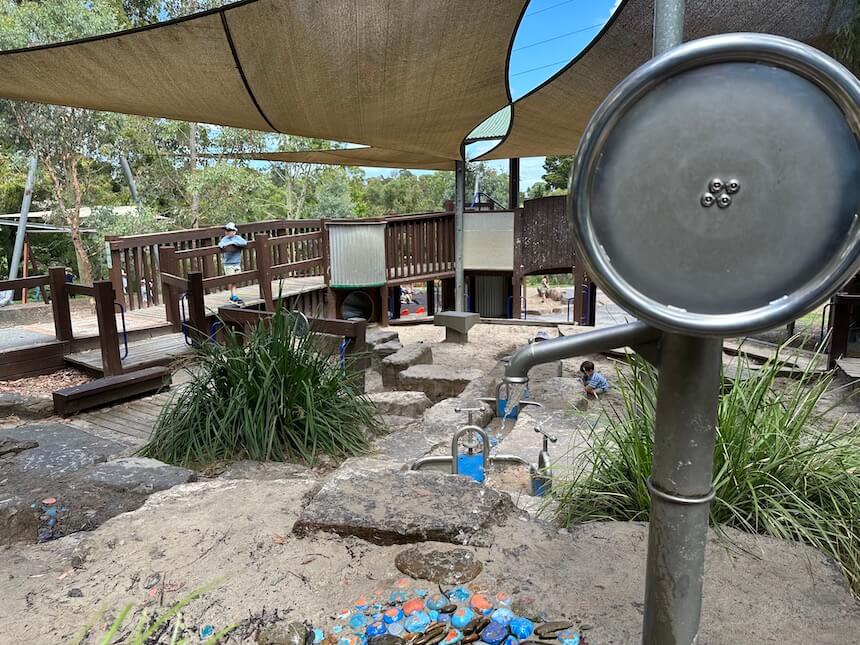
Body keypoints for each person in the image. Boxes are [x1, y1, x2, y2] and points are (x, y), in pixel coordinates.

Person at [218, 222, 247, 302]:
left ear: (234, 231)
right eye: (226, 230)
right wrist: (224, 245)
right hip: (228, 264)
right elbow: (221, 244)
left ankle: (233, 296)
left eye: (229, 230)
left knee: (236, 280)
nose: (227, 232)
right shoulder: (224, 239)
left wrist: (233, 243)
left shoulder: (237, 238)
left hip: (236, 263)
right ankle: (233, 296)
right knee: (231, 280)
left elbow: (244, 243)